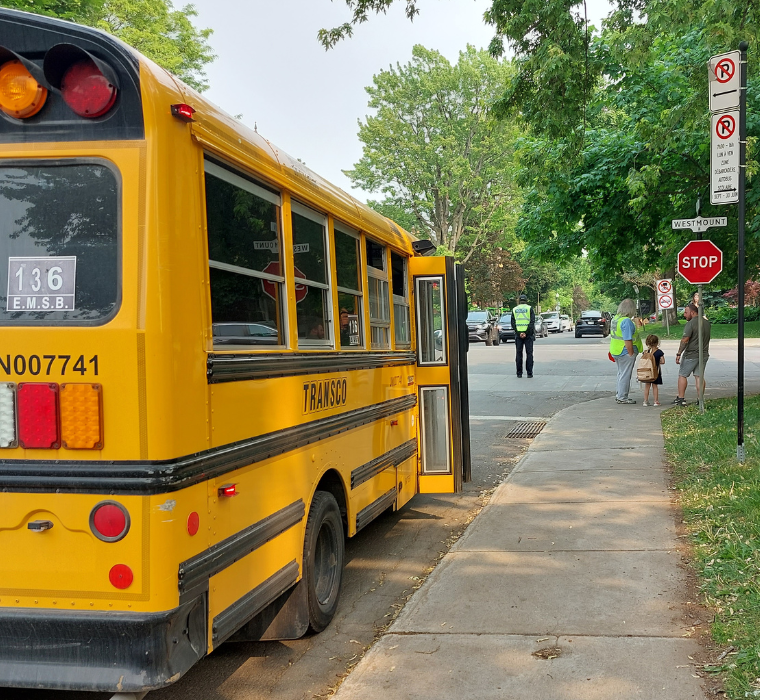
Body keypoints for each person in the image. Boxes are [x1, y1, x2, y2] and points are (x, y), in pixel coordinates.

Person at [674, 303, 711, 406]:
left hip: (691, 354)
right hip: (703, 354)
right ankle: (700, 400)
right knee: (699, 376)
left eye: (686, 312)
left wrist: (679, 353)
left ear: (692, 312)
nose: (684, 315)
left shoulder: (690, 324)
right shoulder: (707, 323)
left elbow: (685, 340)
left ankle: (681, 398)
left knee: (682, 375)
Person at [609, 298, 641, 404]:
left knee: (621, 373)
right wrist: (631, 353)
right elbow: (627, 339)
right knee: (625, 374)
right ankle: (622, 397)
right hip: (625, 351)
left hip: (616, 350)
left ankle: (619, 394)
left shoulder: (616, 318)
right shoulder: (626, 321)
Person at [512, 294, 535, 378]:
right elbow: (532, 322)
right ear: (526, 300)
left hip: (518, 335)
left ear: (519, 301)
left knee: (519, 354)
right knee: (529, 354)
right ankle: (529, 373)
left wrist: (519, 332)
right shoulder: (529, 308)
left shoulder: (514, 309)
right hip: (528, 335)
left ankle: (519, 373)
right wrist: (526, 332)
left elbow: (513, 323)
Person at [642, 334, 665, 407]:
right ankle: (656, 401)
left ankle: (645, 401)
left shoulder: (646, 352)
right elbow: (663, 361)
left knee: (647, 386)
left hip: (647, 372)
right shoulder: (659, 352)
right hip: (656, 372)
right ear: (657, 342)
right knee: (655, 386)